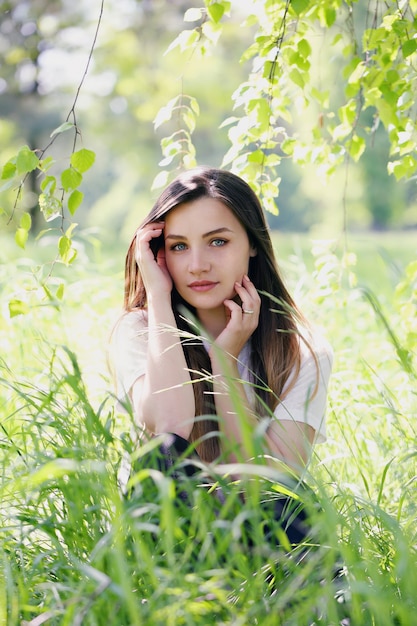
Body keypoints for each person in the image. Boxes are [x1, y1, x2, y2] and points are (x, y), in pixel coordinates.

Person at [109, 166, 333, 545]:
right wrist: (159, 297)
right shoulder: (139, 331)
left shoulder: (302, 350)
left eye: (217, 241)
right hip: (171, 539)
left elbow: (268, 481)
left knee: (289, 500)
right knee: (163, 452)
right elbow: (170, 426)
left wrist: (224, 362)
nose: (197, 264)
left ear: (253, 243)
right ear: (158, 254)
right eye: (178, 246)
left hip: (262, 543)